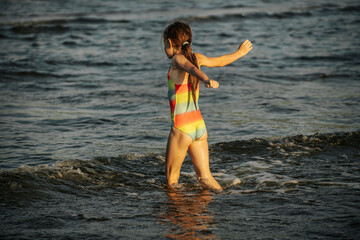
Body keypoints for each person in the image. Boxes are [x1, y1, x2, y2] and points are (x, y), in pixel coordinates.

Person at [163, 21, 252, 191]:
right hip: (199, 127)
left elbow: (190, 69)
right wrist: (240, 52)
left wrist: (205, 79)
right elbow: (220, 61)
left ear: (169, 43)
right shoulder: (198, 58)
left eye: (164, 44)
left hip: (182, 127)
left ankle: (175, 215)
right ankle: (223, 199)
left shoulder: (177, 59)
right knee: (205, 177)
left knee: (172, 181)